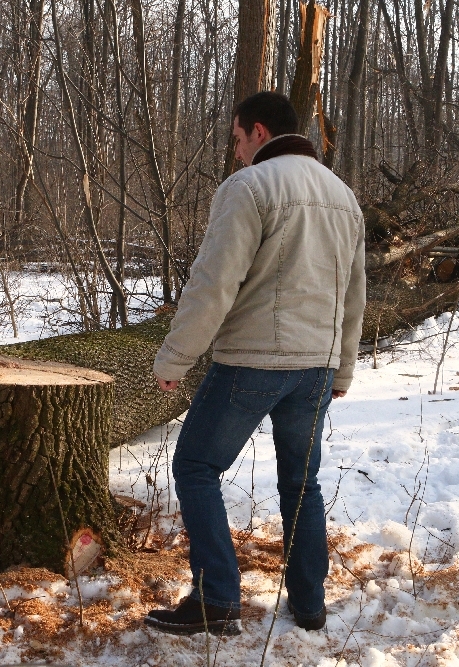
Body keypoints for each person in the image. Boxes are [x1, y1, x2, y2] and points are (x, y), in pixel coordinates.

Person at [143, 92, 366, 636]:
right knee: (302, 483)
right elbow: (355, 295)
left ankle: (217, 599)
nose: (237, 151)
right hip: (316, 367)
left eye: (238, 139)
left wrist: (176, 356)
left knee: (195, 467)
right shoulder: (343, 196)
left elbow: (214, 282)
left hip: (253, 361)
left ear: (259, 132)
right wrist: (342, 368)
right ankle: (310, 606)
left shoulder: (248, 186)